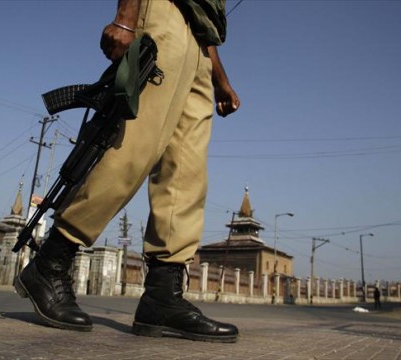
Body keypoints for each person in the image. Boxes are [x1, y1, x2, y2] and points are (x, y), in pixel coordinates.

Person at [14, 0, 240, 343]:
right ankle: (51, 262)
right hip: (165, 15)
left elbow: (206, 15)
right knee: (131, 149)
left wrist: (220, 79)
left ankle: (162, 296)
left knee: (187, 173)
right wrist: (125, 18)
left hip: (200, 47)